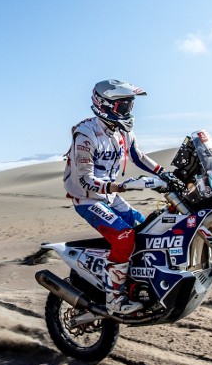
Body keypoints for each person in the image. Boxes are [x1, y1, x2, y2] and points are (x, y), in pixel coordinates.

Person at [63, 79, 179, 315]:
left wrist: (164, 174)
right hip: (88, 198)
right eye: (123, 106)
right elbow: (85, 179)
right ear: (104, 105)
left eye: (130, 105)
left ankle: (140, 282)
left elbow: (138, 156)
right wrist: (123, 187)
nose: (128, 111)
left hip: (110, 195)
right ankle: (115, 298)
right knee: (124, 237)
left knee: (144, 227)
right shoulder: (85, 134)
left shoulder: (122, 131)